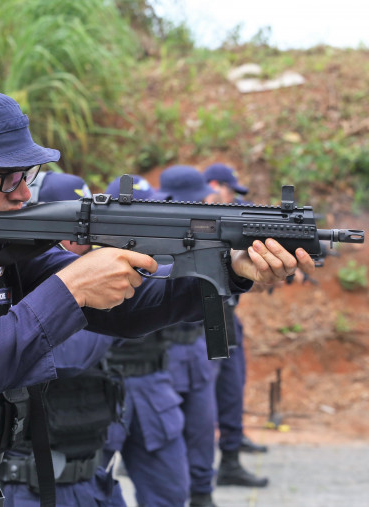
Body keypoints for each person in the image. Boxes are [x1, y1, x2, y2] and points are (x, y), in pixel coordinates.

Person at [0, 88, 313, 507]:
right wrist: (71, 289)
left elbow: (128, 310)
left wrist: (229, 271)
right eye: (8, 179)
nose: (24, 193)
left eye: (29, 176)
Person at [0, 171, 125, 506]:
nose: (81, 239)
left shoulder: (95, 276)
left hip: (93, 475)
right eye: (70, 223)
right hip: (31, 483)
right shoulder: (21, 271)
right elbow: (69, 356)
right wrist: (116, 318)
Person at [102, 175, 193, 507]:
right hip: (96, 388)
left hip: (152, 383)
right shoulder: (87, 265)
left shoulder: (164, 260)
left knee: (169, 492)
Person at [158, 165, 221, 507]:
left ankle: (202, 494)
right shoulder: (161, 235)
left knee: (201, 430)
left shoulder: (202, 233)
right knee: (169, 439)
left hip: (195, 348)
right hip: (164, 352)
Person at [203, 163, 269, 488]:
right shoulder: (200, 218)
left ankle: (230, 449)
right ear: (215, 185)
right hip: (205, 319)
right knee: (214, 395)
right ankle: (221, 462)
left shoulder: (229, 215)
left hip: (227, 314)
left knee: (231, 386)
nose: (232, 198)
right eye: (230, 190)